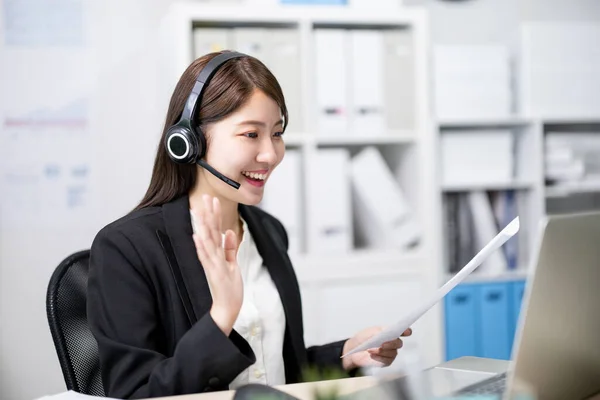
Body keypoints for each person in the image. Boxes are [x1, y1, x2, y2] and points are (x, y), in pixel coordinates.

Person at [87, 50, 412, 399]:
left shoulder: (268, 232)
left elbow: (278, 369)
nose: (270, 155)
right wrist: (221, 317)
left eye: (276, 133)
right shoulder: (125, 249)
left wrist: (346, 353)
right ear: (189, 142)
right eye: (250, 135)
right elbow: (136, 394)